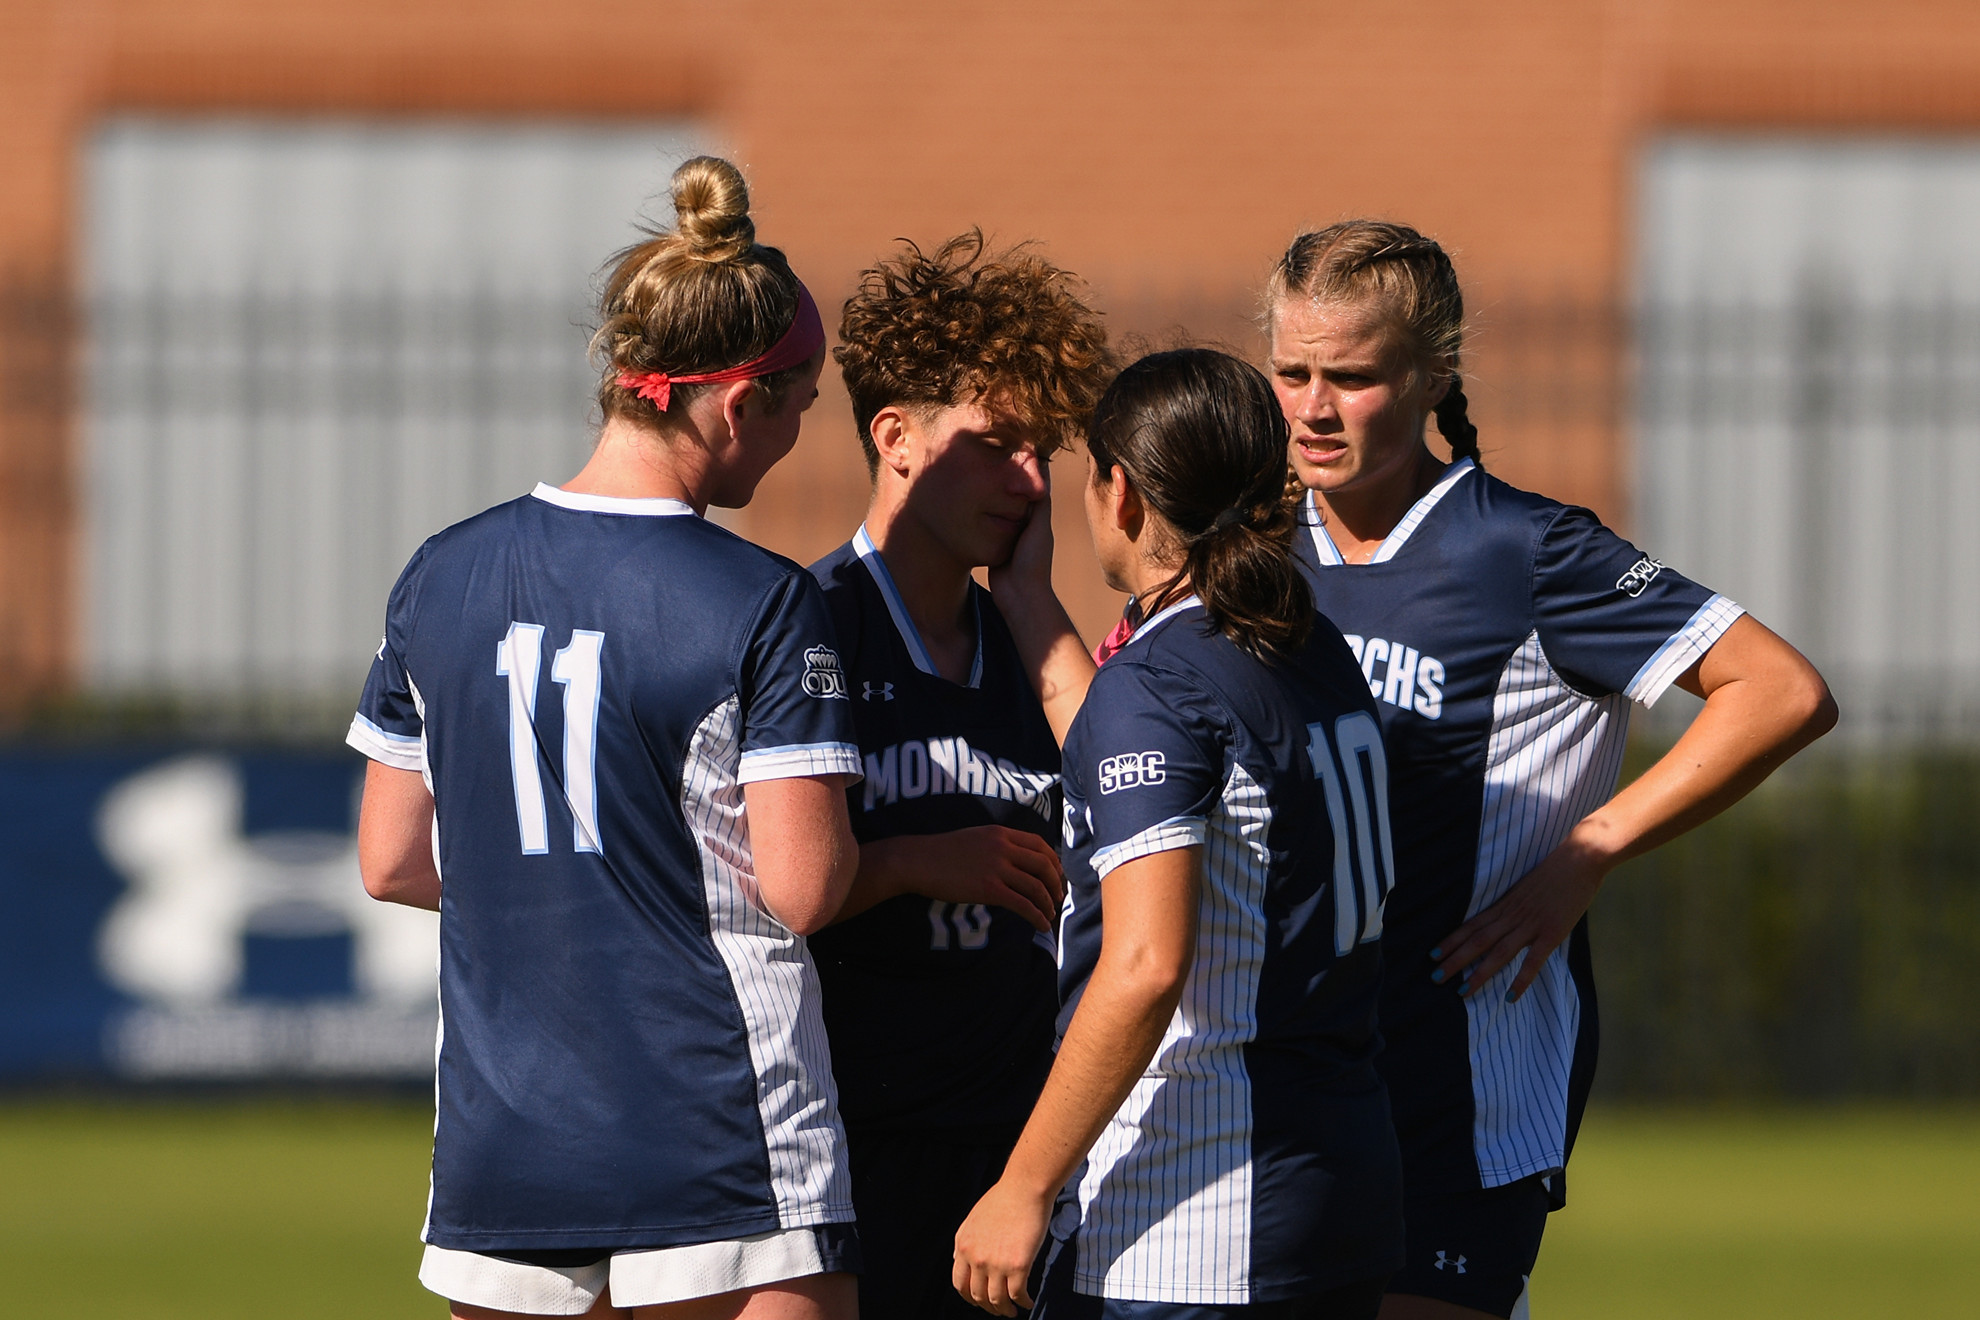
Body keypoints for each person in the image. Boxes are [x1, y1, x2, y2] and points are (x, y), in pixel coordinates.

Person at [1264, 220, 1838, 1320]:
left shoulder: (1526, 550)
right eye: (1291, 373)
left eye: (1353, 377)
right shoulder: (1260, 554)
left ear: (1435, 374)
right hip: (1294, 1083)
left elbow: (1782, 690)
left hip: (1465, 1086)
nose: (1314, 408)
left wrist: (1590, 849)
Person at [348, 156, 864, 1320]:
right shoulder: (766, 602)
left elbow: (389, 862)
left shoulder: (441, 574)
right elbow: (805, 889)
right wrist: (931, 858)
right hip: (719, 1135)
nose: (799, 433)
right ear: (740, 403)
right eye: (805, 400)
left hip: (505, 1143)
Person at [952, 349, 1406, 1320]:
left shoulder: (1159, 686)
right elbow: (1140, 769)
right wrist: (1026, 595)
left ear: (1120, 495)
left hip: (1194, 1227)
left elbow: (1148, 963)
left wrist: (1023, 1187)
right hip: (1341, 1195)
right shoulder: (1303, 641)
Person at [807, 232, 1114, 1320]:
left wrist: (1034, 604)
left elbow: (1134, 808)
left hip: (1016, 1158)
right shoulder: (805, 632)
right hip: (850, 1156)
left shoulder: (1030, 648)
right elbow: (740, 893)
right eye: (996, 444)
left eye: (1043, 450)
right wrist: (915, 862)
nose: (1029, 480)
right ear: (896, 438)